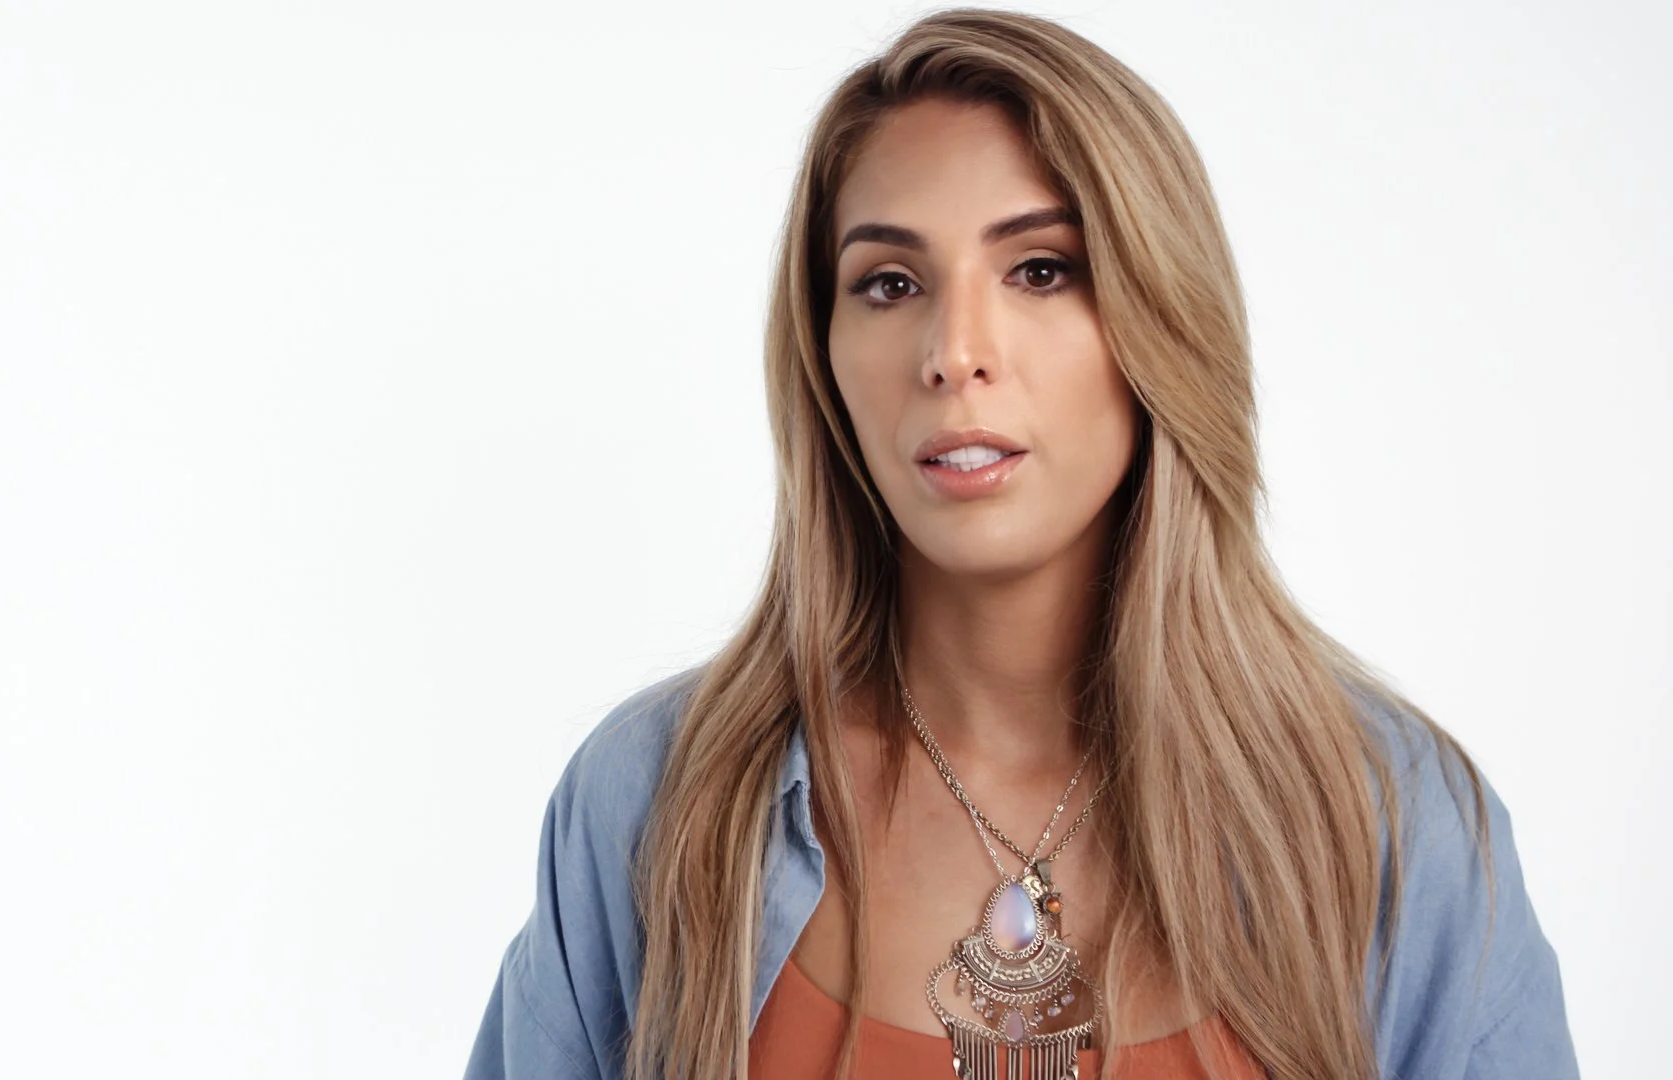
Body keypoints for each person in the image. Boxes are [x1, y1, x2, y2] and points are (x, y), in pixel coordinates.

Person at [462, 8, 1576, 1079]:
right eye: (889, 283)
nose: (953, 352)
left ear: (1160, 320)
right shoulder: (657, 802)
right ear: (825, 355)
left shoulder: (1391, 827)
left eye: (1040, 269)